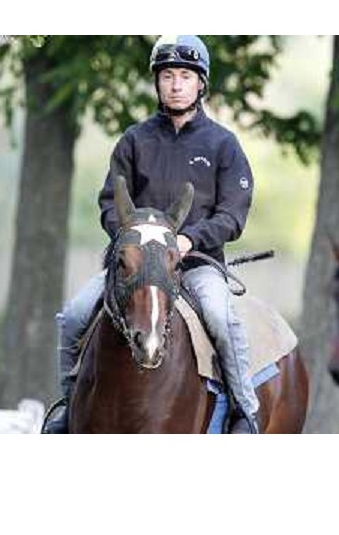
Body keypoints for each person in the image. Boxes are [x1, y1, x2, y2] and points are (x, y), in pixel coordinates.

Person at [44, 35, 259, 434]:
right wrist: (132, 240)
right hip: (134, 266)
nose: (176, 84)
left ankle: (243, 412)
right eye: (168, 75)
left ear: (201, 84)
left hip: (193, 265)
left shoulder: (223, 145)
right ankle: (68, 408)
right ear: (158, 83)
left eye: (185, 76)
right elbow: (110, 202)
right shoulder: (134, 140)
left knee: (222, 317)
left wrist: (189, 239)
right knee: (74, 315)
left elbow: (233, 213)